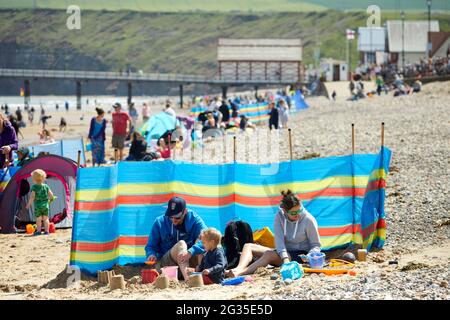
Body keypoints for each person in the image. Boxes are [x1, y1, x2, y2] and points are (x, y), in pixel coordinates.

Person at [227, 190, 321, 277]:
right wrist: (285, 258)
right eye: (293, 213)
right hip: (283, 253)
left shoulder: (308, 219)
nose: (298, 214)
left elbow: (315, 245)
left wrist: (311, 256)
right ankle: (237, 269)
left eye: (299, 210)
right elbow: (279, 242)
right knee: (248, 246)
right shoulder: (279, 217)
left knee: (269, 254)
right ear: (285, 211)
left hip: (301, 255)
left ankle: (241, 273)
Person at [145, 196, 208, 281]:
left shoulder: (194, 219)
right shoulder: (159, 222)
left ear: (185, 211)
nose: (173, 220)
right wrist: (151, 254)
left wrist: (190, 252)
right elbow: (150, 246)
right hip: (167, 266)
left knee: (203, 240)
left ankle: (202, 274)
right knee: (181, 244)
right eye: (171, 216)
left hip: (190, 264)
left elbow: (206, 238)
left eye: (177, 217)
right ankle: (190, 281)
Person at [25, 169, 55, 236]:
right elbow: (51, 194)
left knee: (38, 219)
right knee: (46, 218)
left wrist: (28, 204)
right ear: (44, 178)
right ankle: (46, 232)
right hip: (45, 205)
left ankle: (38, 231)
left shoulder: (34, 187)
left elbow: (32, 197)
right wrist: (52, 198)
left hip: (38, 206)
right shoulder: (46, 186)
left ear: (34, 179)